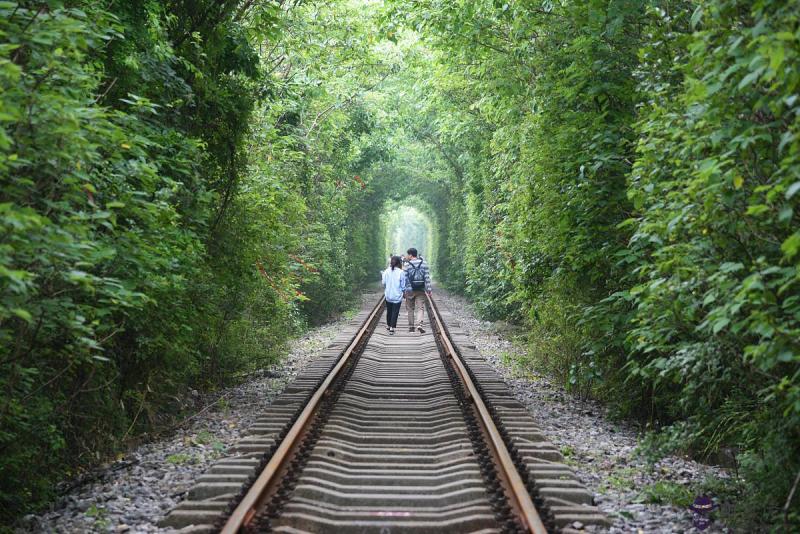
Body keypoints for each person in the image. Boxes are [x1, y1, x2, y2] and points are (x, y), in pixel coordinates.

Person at [403, 247, 431, 333]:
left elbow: (404, 278)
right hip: (420, 289)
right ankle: (419, 324)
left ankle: (411, 327)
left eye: (408, 254)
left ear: (411, 255)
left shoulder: (407, 265)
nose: (407, 256)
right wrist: (429, 289)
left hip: (409, 290)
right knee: (420, 308)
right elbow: (427, 277)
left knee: (410, 308)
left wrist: (403, 290)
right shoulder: (424, 263)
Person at [381, 255, 406, 335]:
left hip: (388, 294)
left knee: (389, 310)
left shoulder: (386, 271)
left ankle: (388, 325)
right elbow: (403, 285)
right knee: (395, 311)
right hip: (397, 295)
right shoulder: (401, 272)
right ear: (399, 263)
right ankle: (392, 327)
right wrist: (404, 293)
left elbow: (383, 283)